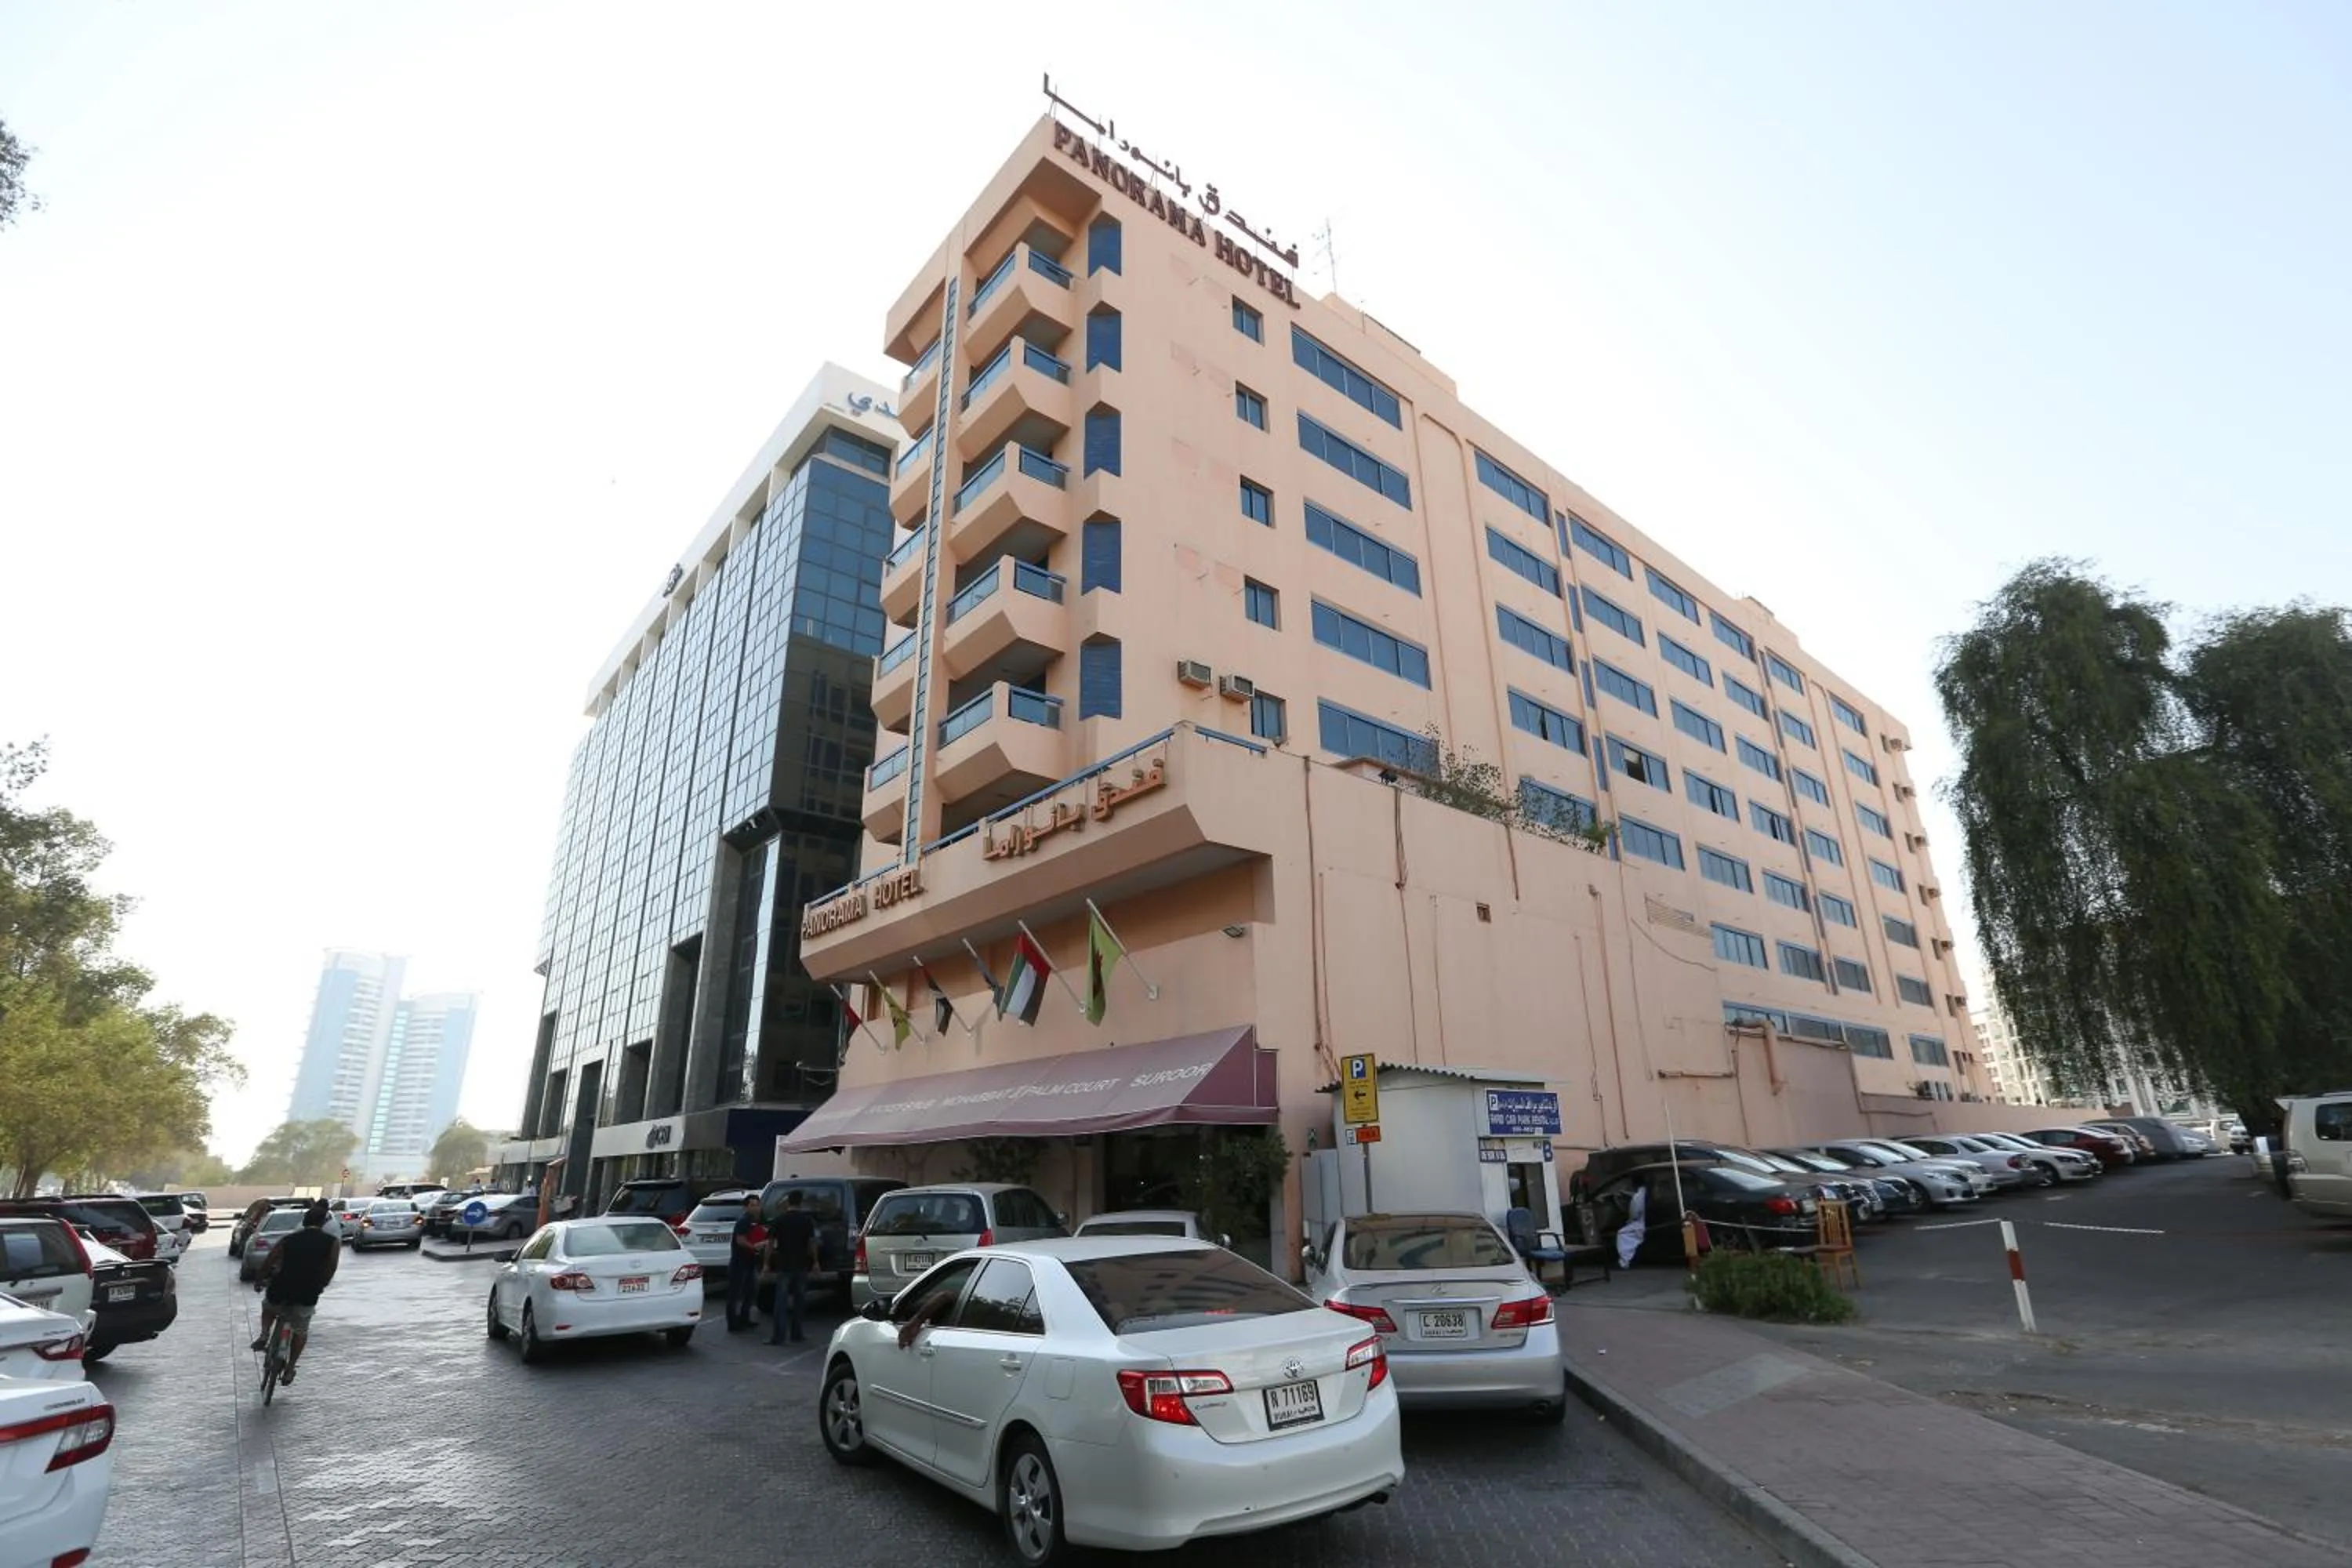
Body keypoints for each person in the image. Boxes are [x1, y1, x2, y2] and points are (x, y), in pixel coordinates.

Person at [250, 1203, 339, 1384]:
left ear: (305, 1221)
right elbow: (331, 1268)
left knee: (269, 1307)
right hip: (308, 1291)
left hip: (282, 1286)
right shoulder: (332, 1243)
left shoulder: (289, 1239)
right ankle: (290, 1368)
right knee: (300, 1330)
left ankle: (265, 1334)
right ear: (323, 1223)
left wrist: (260, 1279)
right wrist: (321, 1285)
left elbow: (270, 1260)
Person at [764, 1189, 819, 1345]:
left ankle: (778, 1336)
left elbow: (770, 1244)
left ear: (788, 1201)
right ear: (801, 1202)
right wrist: (815, 1262)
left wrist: (766, 1264)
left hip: (784, 1265)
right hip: (801, 1265)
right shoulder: (806, 1220)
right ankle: (797, 1333)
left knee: (781, 1303)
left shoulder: (780, 1219)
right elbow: (812, 1242)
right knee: (799, 1301)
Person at [725, 1196, 768, 1332]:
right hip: (739, 1264)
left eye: (757, 1205)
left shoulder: (755, 1222)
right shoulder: (743, 1221)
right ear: (746, 1207)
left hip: (750, 1263)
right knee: (735, 1294)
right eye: (752, 1205)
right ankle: (732, 1324)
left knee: (750, 1293)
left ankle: (744, 1318)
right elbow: (740, 1240)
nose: (756, 1208)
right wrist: (755, 1247)